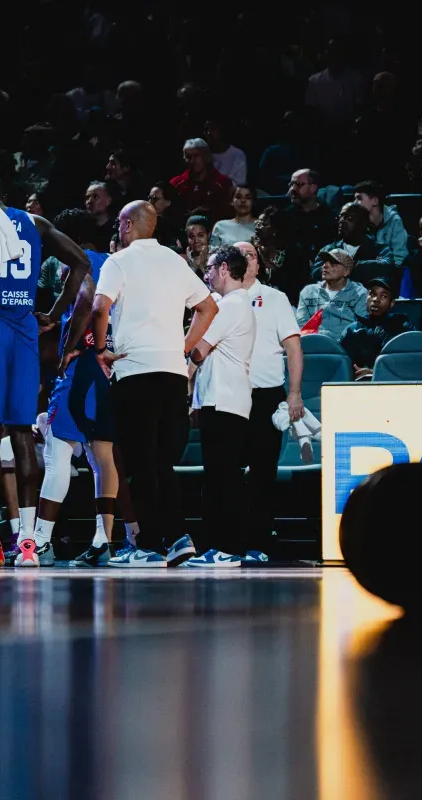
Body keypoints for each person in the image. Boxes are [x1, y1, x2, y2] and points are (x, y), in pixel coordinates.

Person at [0, 174, 91, 568]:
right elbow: (79, 262)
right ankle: (28, 543)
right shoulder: (34, 222)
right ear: (8, 197)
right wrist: (55, 313)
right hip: (26, 328)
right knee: (23, 435)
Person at [93, 200, 219, 567]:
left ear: (129, 226)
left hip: (135, 372)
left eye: (120, 223)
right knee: (162, 463)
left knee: (141, 463)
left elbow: (100, 307)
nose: (118, 230)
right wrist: (183, 346)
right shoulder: (174, 262)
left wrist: (101, 349)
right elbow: (208, 307)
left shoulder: (119, 261)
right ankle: (175, 537)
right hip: (171, 373)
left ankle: (149, 546)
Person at [41, 209, 118, 568]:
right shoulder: (112, 262)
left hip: (83, 363)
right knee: (101, 454)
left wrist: (71, 344)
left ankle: (39, 541)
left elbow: (86, 299)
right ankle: (104, 538)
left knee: (57, 450)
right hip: (108, 368)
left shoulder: (80, 262)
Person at [186, 246, 256, 567]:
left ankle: (226, 547)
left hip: (225, 402)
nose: (207, 273)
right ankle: (221, 546)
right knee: (219, 476)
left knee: (222, 478)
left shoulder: (229, 306)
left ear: (225, 269)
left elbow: (198, 351)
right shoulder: (234, 304)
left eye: (211, 267)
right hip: (223, 400)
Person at [236, 242, 304, 561]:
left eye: (250, 254)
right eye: (237, 255)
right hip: (227, 397)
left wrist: (294, 393)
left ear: (259, 265)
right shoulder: (218, 300)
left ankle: (258, 543)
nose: (244, 259)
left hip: (265, 396)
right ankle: (226, 542)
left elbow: (293, 349)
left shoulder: (275, 299)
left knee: (263, 473)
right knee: (226, 473)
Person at [339, 277, 412, 378]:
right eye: (372, 294)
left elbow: (409, 364)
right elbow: (341, 366)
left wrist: (375, 373)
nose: (375, 299)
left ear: (392, 303)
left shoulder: (403, 328)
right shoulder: (352, 330)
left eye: (384, 296)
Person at [311, 202, 394, 284]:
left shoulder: (379, 248)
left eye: (349, 218)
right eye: (340, 217)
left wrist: (345, 266)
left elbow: (386, 267)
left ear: (363, 224)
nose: (341, 221)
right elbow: (316, 273)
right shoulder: (328, 249)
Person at [295, 249, 368, 341]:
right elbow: (302, 325)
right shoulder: (308, 292)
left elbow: (359, 329)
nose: (325, 266)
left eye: (333, 263)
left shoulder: (360, 294)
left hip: (343, 349)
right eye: (325, 262)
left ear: (346, 272)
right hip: (312, 346)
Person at [170, 138, 233, 222]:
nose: (192, 161)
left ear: (206, 156)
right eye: (188, 157)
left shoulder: (223, 183)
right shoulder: (176, 183)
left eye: (196, 156)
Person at [353, 180, 409, 267]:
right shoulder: (357, 223)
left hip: (390, 273)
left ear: (375, 201)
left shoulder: (394, 220)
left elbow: (400, 257)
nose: (354, 203)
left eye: (359, 198)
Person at [287, 168, 334, 258]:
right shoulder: (286, 217)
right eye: (291, 184)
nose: (292, 189)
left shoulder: (329, 217)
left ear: (313, 188)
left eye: (298, 184)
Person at [84, 181, 117, 252]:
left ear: (108, 200)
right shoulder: (81, 227)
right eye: (87, 197)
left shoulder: (117, 229)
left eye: (95, 196)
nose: (89, 201)